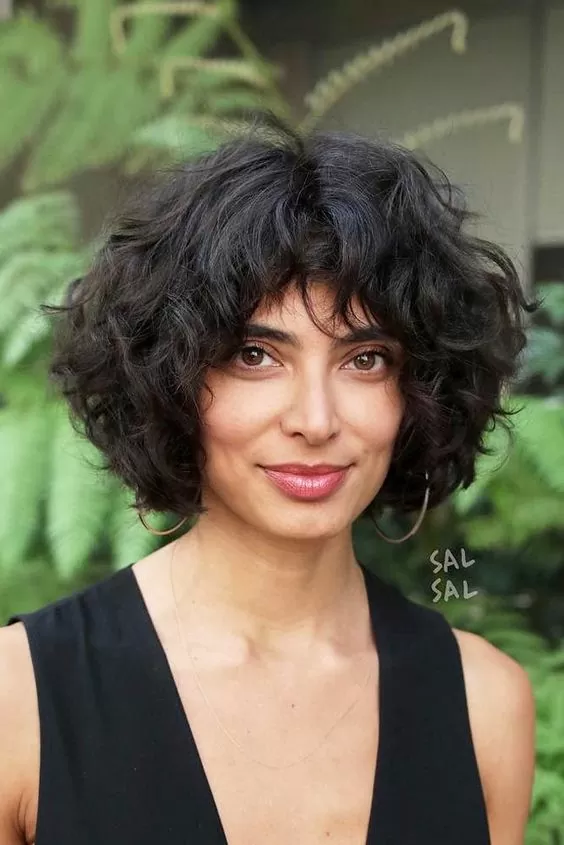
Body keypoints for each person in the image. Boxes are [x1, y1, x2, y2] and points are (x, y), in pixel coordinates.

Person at [0, 113, 537, 845]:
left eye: (365, 358)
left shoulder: (484, 702)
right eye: (256, 354)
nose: (315, 420)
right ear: (171, 377)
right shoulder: (21, 696)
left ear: (422, 390)